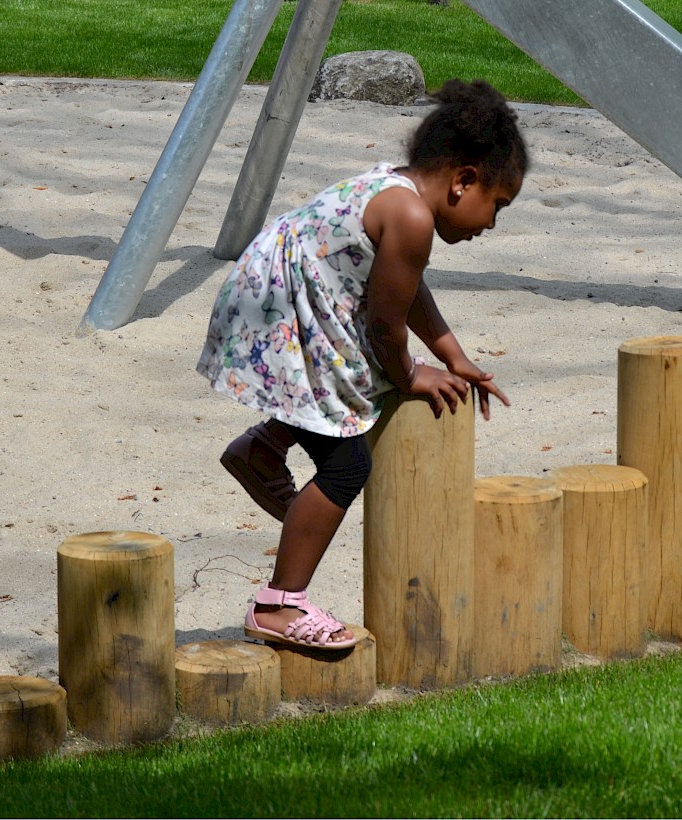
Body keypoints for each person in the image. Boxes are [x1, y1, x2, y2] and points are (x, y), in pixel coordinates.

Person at [196, 78, 529, 650]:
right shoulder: (413, 218)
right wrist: (412, 374)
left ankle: (264, 447)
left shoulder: (398, 191)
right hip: (284, 316)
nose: (491, 224)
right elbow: (383, 325)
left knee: (353, 391)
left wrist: (451, 355)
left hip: (274, 302)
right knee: (347, 464)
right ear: (464, 180)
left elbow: (402, 288)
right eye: (496, 206)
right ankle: (278, 604)